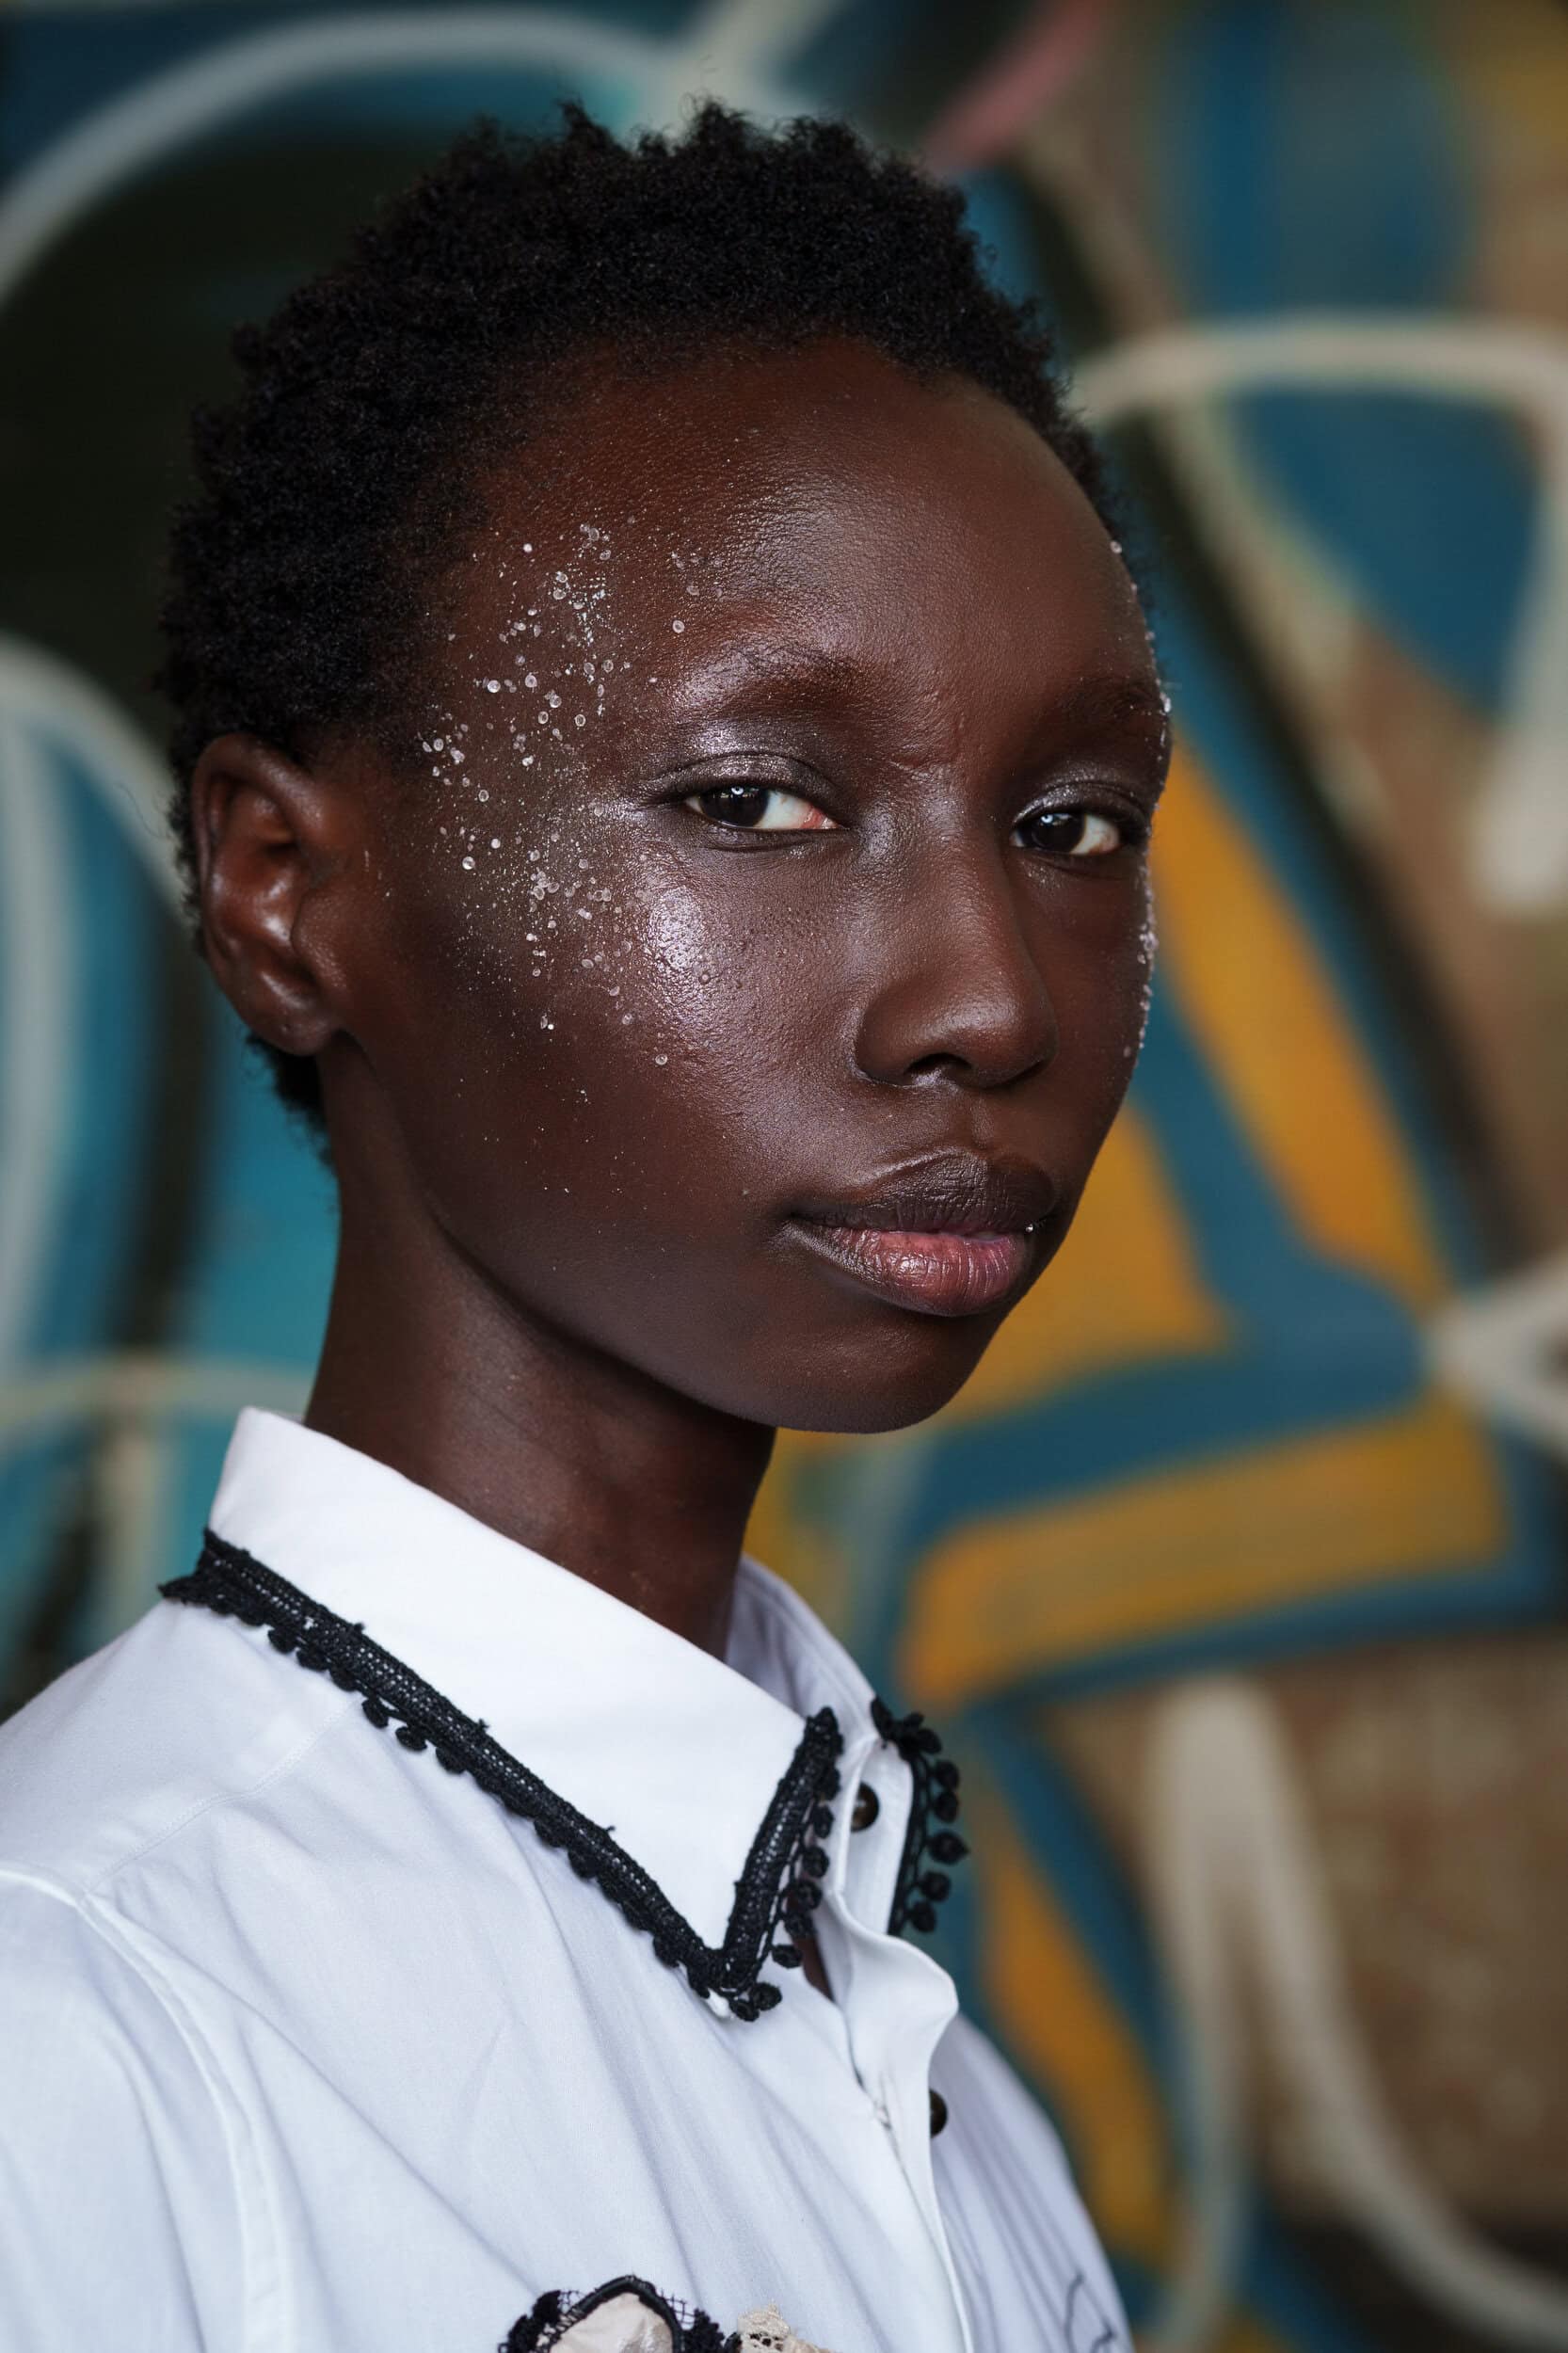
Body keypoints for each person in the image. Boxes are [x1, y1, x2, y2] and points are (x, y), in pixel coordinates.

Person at [0, 104, 1166, 2353]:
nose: (989, 996)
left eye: (1069, 821)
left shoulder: (946, 2114)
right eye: (755, 799)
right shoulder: (81, 2022)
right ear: (285, 890)